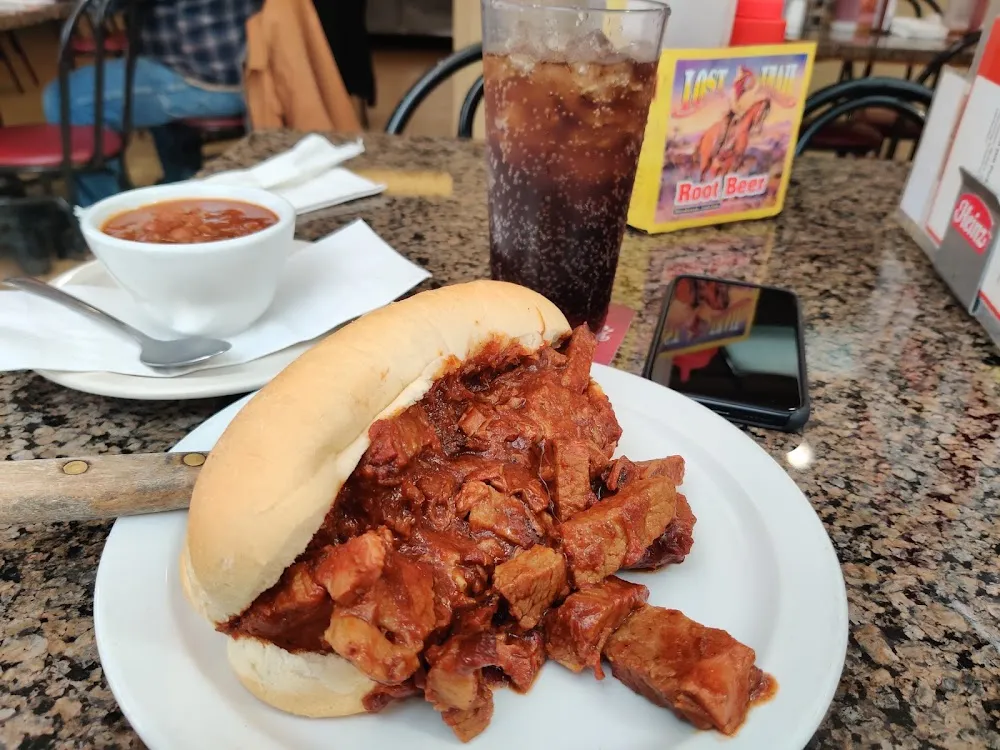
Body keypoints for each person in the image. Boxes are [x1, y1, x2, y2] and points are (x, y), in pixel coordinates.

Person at [42, 0, 262, 206]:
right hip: (251, 66)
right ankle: (179, 182)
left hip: (211, 80)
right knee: (137, 66)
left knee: (66, 98)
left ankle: (105, 214)